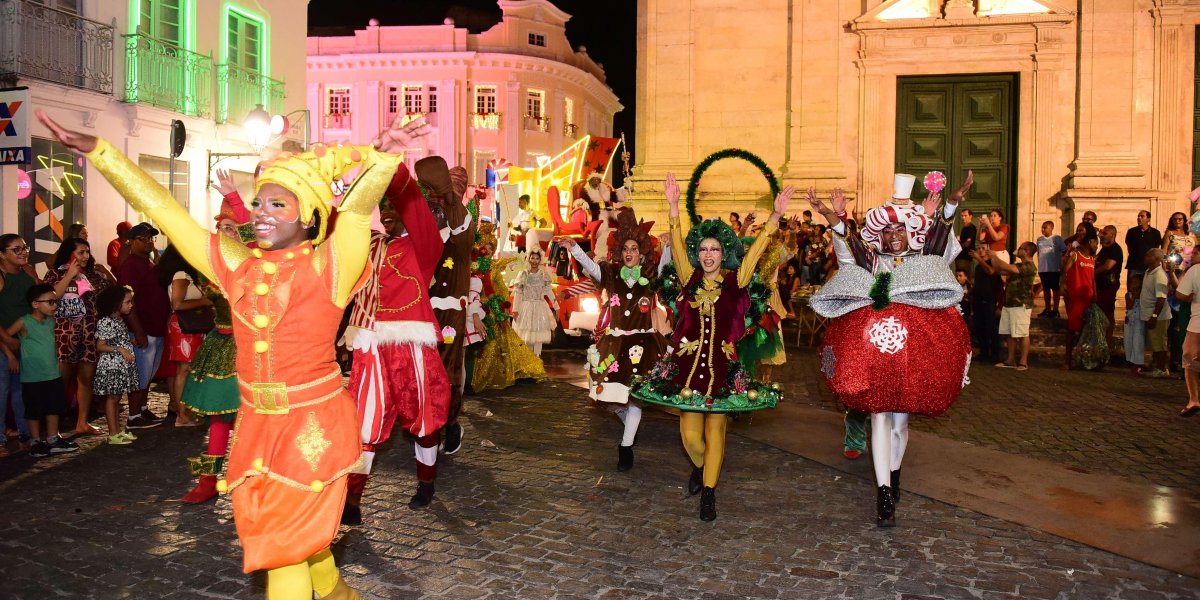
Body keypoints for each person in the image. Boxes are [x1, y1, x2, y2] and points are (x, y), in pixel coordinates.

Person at [37, 108, 427, 599]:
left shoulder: (332, 264)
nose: (261, 211)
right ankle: (338, 595)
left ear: (308, 216)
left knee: (283, 549)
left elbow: (353, 212)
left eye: (278, 205)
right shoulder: (235, 264)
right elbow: (166, 211)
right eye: (259, 203)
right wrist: (101, 152)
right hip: (258, 424)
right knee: (290, 537)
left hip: (311, 424)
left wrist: (384, 157)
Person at [809, 171, 973, 528]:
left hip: (912, 356)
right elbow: (848, 246)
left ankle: (894, 475)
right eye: (887, 232)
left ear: (910, 233)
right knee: (879, 416)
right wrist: (831, 215)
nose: (894, 237)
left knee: (899, 424)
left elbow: (941, 239)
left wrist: (952, 203)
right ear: (879, 235)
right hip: (876, 355)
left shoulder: (923, 259)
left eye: (900, 231)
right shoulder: (872, 261)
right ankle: (883, 492)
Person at [632, 172, 791, 522]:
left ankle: (709, 491)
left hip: (724, 370)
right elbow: (675, 241)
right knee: (690, 436)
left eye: (714, 249)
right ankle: (703, 469)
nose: (708, 254)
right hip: (687, 372)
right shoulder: (689, 278)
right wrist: (673, 206)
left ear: (724, 253)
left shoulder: (738, 281)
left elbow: (757, 252)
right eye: (703, 249)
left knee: (716, 429)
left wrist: (775, 218)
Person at [341, 162, 450, 519]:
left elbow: (417, 212)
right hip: (370, 345)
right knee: (364, 422)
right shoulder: (368, 246)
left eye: (393, 206)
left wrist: (395, 172)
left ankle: (426, 481)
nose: (387, 212)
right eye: (382, 205)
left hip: (411, 345)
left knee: (423, 417)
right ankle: (352, 501)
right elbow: (336, 227)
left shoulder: (424, 248)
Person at [561, 207, 665, 472]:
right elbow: (592, 268)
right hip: (615, 344)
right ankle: (629, 425)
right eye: (626, 248)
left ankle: (626, 446)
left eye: (634, 248)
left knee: (634, 399)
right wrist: (574, 248)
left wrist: (671, 243)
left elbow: (666, 268)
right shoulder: (612, 274)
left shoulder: (651, 278)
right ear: (621, 251)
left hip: (642, 347)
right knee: (605, 398)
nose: (630, 252)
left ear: (642, 252)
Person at [179, 191, 253, 503]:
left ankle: (254, 482)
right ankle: (208, 480)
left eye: (235, 228)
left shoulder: (256, 262)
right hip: (222, 346)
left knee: (256, 420)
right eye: (223, 228)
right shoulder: (209, 267)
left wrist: (235, 200)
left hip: (255, 350)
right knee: (220, 420)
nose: (229, 233)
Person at [420, 157, 475, 457]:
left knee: (448, 368)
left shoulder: (461, 221)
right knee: (426, 366)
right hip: (425, 309)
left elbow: (455, 230)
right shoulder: (433, 218)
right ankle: (430, 422)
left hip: (452, 310)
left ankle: (450, 423)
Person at [42, 237, 111, 435]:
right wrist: (69, 275)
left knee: (86, 379)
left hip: (89, 335)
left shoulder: (91, 276)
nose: (85, 256)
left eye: (87, 252)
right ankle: (52, 429)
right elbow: (51, 297)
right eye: (80, 252)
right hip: (63, 336)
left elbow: (109, 296)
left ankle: (82, 422)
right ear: (69, 253)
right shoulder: (55, 274)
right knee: (59, 382)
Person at [3, 284, 79, 457]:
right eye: (50, 302)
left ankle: (53, 439)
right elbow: (5, 337)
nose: (54, 306)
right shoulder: (24, 321)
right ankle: (35, 441)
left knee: (53, 407)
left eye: (55, 302)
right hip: (32, 377)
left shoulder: (52, 321)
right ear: (35, 304)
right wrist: (11, 356)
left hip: (52, 373)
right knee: (34, 410)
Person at [114, 222, 168, 429]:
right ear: (131, 241)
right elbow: (128, 301)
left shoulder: (149, 262)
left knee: (149, 374)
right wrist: (137, 330)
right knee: (140, 374)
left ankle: (143, 409)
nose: (147, 242)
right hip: (142, 328)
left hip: (155, 327)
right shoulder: (131, 265)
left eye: (150, 238)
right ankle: (134, 416)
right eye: (142, 238)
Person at [159, 244, 208, 428]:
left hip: (189, 327)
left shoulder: (184, 275)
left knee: (187, 370)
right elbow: (177, 304)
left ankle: (186, 412)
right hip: (184, 327)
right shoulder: (181, 275)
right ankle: (182, 415)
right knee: (184, 370)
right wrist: (204, 300)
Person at [0, 233, 35, 456]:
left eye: (24, 248)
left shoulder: (28, 273)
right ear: (2, 255)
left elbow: (40, 303)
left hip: (24, 343)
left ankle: (26, 435)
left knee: (22, 392)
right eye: (16, 249)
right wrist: (6, 342)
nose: (23, 252)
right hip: (4, 343)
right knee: (1, 392)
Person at [93, 285, 140, 445]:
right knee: (113, 399)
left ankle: (117, 431)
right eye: (127, 302)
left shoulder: (118, 319)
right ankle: (113, 432)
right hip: (112, 365)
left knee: (117, 398)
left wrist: (127, 343)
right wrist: (119, 348)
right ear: (116, 303)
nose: (130, 305)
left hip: (120, 365)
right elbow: (100, 345)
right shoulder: (107, 321)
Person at [987, 242, 1038, 370]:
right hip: (1009, 303)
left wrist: (996, 256)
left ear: (1026, 251)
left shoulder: (1029, 266)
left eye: (1021, 248)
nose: (1018, 249)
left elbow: (1006, 267)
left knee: (1022, 333)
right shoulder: (1018, 265)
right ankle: (1010, 360)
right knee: (1009, 332)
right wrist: (992, 258)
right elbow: (1000, 269)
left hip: (1021, 304)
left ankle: (1023, 361)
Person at [1062, 225, 1098, 370]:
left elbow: (1092, 279)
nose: (1097, 246)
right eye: (1096, 243)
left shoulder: (1091, 259)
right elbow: (1065, 270)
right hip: (1076, 297)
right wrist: (1063, 287)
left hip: (1088, 298)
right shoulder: (1076, 255)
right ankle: (1067, 361)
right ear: (1090, 242)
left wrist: (1095, 294)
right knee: (1072, 329)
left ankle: (1082, 359)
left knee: (1085, 330)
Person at [511, 249, 558, 356]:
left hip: (540, 308)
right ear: (528, 259)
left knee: (538, 337)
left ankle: (537, 360)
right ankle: (528, 362)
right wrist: (515, 310)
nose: (534, 261)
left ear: (540, 260)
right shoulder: (523, 274)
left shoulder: (543, 276)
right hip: (526, 307)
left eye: (537, 258)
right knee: (526, 336)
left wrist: (557, 307)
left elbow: (549, 292)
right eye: (532, 258)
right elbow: (518, 293)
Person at [1141, 248, 1174, 378]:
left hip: (1159, 316)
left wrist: (1154, 316)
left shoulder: (1159, 275)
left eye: (1148, 255)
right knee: (1155, 343)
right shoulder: (1148, 272)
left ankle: (1162, 368)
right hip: (1149, 313)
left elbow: (1161, 298)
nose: (1145, 257)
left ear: (1156, 259)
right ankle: (1156, 365)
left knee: (1160, 343)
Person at [1094, 225, 1124, 361]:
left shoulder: (1115, 249)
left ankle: (1108, 340)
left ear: (1112, 234)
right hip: (1099, 284)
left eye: (1105, 233)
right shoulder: (1104, 249)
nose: (1102, 235)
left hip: (1109, 284)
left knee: (1108, 312)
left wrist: (1091, 273)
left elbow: (1108, 266)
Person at [1175, 261, 1200, 417]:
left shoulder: (1196, 270)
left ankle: (1194, 400)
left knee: (1189, 359)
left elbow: (1181, 293)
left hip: (1197, 323)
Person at [969, 247, 1002, 362]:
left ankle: (995, 354)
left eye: (983, 248)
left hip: (989, 300)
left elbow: (991, 271)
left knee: (991, 327)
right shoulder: (978, 267)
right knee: (979, 327)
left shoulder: (992, 263)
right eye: (978, 249)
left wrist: (979, 259)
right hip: (978, 299)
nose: (980, 250)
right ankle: (984, 353)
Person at [1036, 221, 1065, 318]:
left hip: (1054, 269)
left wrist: (1061, 265)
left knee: (1055, 289)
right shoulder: (1039, 240)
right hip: (1043, 269)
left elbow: (1064, 251)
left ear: (1051, 228)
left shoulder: (1057, 239)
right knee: (1046, 289)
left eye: (1045, 227)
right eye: (1042, 227)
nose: (1043, 229)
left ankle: (1055, 310)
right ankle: (1047, 309)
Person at [1125, 210, 1162, 287]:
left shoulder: (1155, 233)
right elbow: (1129, 245)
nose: (1139, 218)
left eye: (1142, 216)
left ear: (1148, 219)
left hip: (1149, 266)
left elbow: (1156, 248)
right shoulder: (1131, 232)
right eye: (1138, 216)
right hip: (1134, 265)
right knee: (1132, 288)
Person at [1125, 273, 1146, 375]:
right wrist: (1133, 295)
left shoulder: (1143, 295)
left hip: (1139, 320)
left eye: (1136, 283)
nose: (1133, 284)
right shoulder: (1128, 294)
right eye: (1132, 282)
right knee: (1129, 340)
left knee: (1138, 341)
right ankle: (1130, 361)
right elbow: (1129, 306)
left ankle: (1137, 364)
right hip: (1130, 320)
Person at [955, 208, 977, 279]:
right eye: (962, 216)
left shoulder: (971, 228)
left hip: (965, 257)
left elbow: (967, 243)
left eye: (965, 215)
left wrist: (958, 244)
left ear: (970, 216)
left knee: (965, 278)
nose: (963, 217)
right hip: (961, 257)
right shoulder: (964, 228)